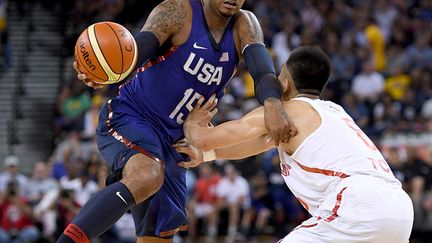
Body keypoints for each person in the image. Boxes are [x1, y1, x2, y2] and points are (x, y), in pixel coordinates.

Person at [58, 0, 296, 242]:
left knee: (159, 235)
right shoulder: (177, 11)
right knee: (146, 176)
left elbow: (264, 73)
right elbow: (135, 54)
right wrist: (109, 71)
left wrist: (273, 102)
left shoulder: (244, 24)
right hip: (134, 117)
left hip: (175, 142)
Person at [176, 46, 414, 242]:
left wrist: (193, 124)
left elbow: (204, 139)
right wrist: (206, 156)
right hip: (400, 209)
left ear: (286, 84)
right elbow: (259, 143)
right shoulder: (333, 112)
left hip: (358, 203)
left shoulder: (287, 110)